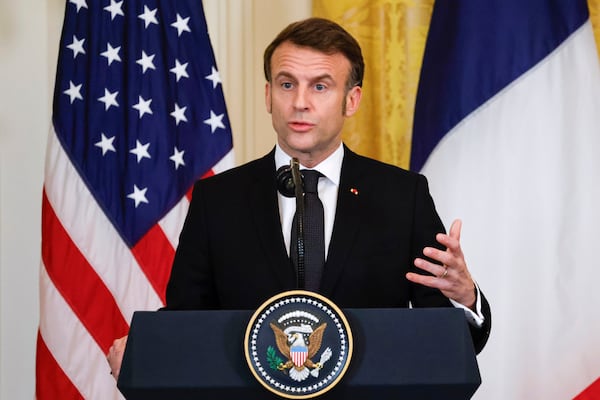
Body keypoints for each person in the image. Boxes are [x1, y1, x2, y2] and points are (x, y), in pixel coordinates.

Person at [108, 17, 491, 379]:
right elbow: (186, 324)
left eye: (320, 86)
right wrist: (144, 350)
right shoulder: (217, 200)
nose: (300, 102)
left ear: (351, 100)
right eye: (287, 84)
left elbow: (449, 341)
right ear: (268, 95)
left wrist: (466, 299)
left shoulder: (402, 197)